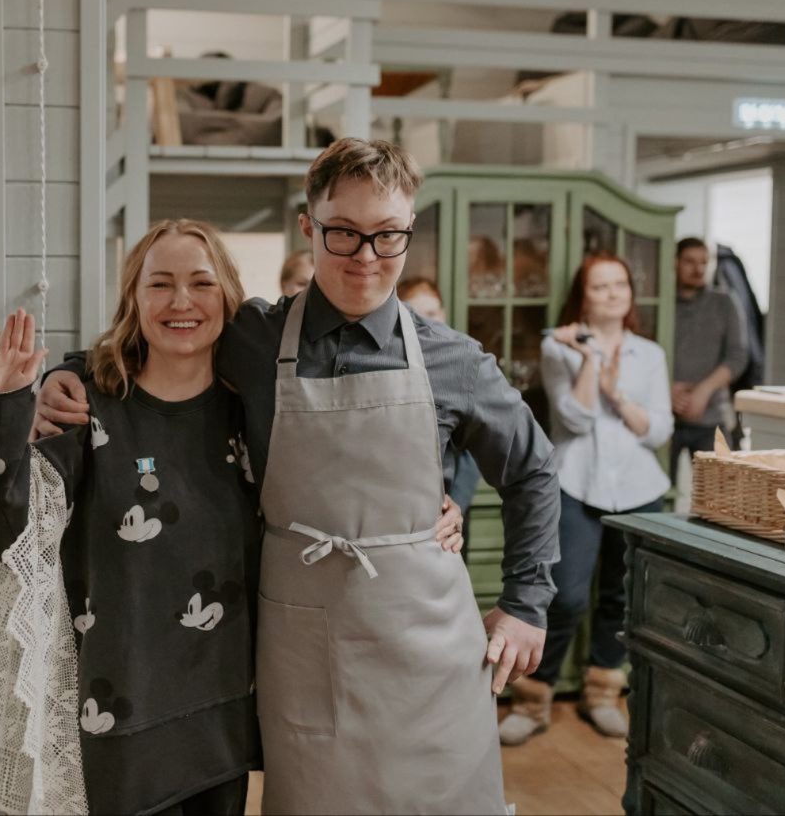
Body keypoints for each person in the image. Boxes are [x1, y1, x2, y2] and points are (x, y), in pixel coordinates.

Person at [37, 139, 559, 814]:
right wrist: (67, 374)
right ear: (309, 227)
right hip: (302, 644)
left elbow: (533, 470)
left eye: (387, 235)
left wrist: (525, 603)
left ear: (409, 231)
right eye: (344, 232)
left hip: (428, 646)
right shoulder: (252, 338)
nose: (365, 256)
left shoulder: (452, 360)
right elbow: (158, 335)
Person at [0, 218, 471, 815]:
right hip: (121, 718)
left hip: (221, 713)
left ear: (227, 298)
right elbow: (10, 532)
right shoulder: (87, 408)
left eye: (200, 283)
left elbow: (337, 489)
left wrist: (430, 505)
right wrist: (5, 401)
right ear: (133, 299)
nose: (181, 302)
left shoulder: (256, 411)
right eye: (160, 284)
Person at [498, 253, 672, 746]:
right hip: (574, 484)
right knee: (565, 596)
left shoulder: (650, 354)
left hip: (639, 489)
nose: (613, 294)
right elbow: (574, 419)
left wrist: (618, 395)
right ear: (583, 296)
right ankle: (533, 699)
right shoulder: (557, 347)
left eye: (620, 284)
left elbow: (658, 429)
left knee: (623, 596)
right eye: (600, 286)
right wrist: (592, 359)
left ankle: (602, 693)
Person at [398, 276, 483, 542]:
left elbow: (472, 452)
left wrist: (454, 504)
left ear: (443, 314)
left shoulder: (462, 365)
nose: (427, 322)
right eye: (416, 314)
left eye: (432, 313)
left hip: (449, 510)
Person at [671, 237, 748, 474]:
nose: (698, 269)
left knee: (720, 487)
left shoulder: (724, 302)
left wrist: (704, 390)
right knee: (658, 489)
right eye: (690, 261)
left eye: (704, 262)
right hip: (665, 417)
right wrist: (665, 389)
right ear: (674, 262)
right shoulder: (660, 303)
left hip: (711, 416)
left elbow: (738, 356)